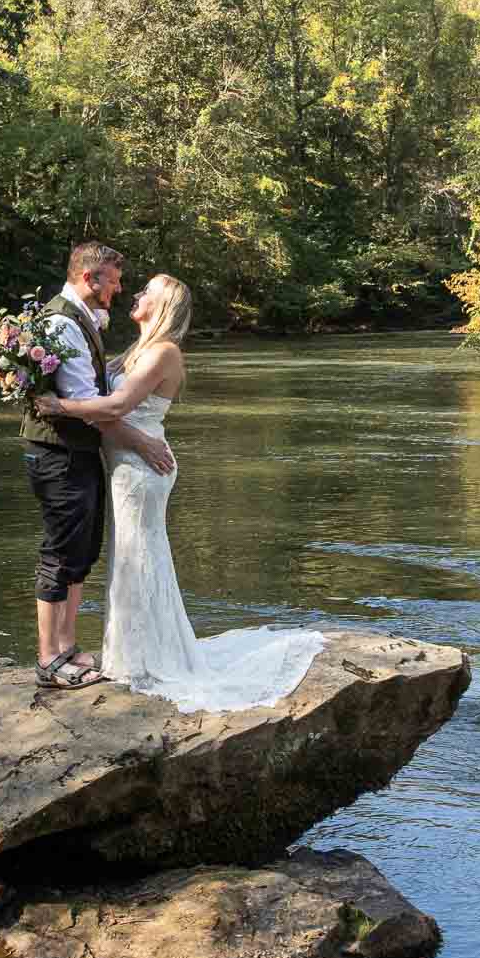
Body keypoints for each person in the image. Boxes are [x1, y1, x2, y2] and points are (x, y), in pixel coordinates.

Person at [36, 274, 324, 710]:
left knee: (139, 556)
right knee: (128, 555)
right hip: (129, 460)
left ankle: (143, 659)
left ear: (164, 304)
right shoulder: (137, 350)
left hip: (141, 469)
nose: (136, 295)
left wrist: (59, 407)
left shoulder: (163, 352)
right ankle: (130, 652)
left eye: (146, 292)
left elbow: (113, 407)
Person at [22, 242, 173, 688]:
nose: (120, 288)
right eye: (113, 279)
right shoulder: (62, 324)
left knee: (81, 551)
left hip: (78, 452)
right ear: (90, 279)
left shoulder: (83, 319)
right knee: (60, 552)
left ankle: (65, 647)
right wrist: (142, 442)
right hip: (59, 453)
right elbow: (94, 407)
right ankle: (49, 660)